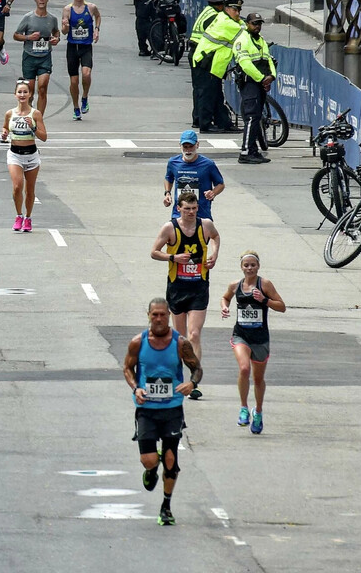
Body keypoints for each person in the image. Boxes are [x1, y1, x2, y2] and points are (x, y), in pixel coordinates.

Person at [123, 297, 203, 527]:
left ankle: (166, 507)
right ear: (148, 315)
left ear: (168, 316)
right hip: (146, 408)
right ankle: (151, 469)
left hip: (172, 408)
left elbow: (196, 368)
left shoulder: (180, 343)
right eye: (154, 314)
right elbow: (127, 368)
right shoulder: (138, 342)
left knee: (170, 459)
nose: (158, 318)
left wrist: (192, 384)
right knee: (149, 460)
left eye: (162, 314)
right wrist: (136, 387)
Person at [150, 192, 220, 398]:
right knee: (181, 340)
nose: (191, 212)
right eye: (187, 209)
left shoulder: (205, 225)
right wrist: (173, 257)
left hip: (199, 287)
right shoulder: (170, 228)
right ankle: (179, 378)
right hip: (177, 288)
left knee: (194, 335)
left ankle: (194, 381)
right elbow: (154, 252)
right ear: (178, 208)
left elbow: (216, 237)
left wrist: (214, 254)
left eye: (194, 208)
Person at [219, 250, 285, 435]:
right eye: (246, 265)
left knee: (258, 379)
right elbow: (225, 297)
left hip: (260, 338)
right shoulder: (235, 285)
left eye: (252, 265)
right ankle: (243, 408)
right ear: (241, 267)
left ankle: (258, 411)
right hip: (241, 335)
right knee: (244, 368)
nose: (249, 268)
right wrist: (225, 307)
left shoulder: (265, 284)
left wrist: (264, 300)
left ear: (258, 266)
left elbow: (282, 306)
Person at [190, 0, 243, 132]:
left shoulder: (223, 17)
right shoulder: (226, 23)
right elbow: (245, 34)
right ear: (225, 9)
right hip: (206, 62)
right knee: (207, 95)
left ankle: (223, 122)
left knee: (216, 95)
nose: (237, 13)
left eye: (239, 11)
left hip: (213, 64)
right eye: (234, 10)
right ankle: (205, 125)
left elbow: (241, 25)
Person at [232, 12, 277, 164]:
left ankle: (253, 150)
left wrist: (272, 76)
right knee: (251, 117)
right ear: (247, 24)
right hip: (250, 83)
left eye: (259, 24)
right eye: (254, 23)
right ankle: (245, 152)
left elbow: (268, 59)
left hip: (261, 83)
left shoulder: (261, 40)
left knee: (257, 117)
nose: (257, 26)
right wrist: (262, 78)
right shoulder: (242, 40)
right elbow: (245, 64)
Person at [3, 80, 46, 232]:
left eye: (25, 92)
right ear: (15, 95)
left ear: (30, 95)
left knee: (30, 190)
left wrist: (32, 127)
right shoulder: (10, 113)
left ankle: (28, 217)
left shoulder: (35, 114)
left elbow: (44, 136)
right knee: (17, 187)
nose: (22, 95)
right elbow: (5, 128)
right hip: (15, 154)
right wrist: (4, 133)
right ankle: (18, 215)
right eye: (19, 92)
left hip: (32, 155)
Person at [12, 0, 59, 115]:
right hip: (29, 57)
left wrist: (56, 39)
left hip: (45, 57)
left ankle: (39, 120)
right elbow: (16, 35)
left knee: (43, 88)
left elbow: (56, 31)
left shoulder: (52, 18)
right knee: (30, 91)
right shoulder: (28, 18)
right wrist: (28, 37)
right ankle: (29, 112)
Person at [60, 0, 101, 120]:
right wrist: (65, 26)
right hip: (72, 47)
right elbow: (64, 31)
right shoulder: (67, 9)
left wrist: (96, 30)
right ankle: (76, 107)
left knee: (86, 73)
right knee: (73, 81)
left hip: (85, 46)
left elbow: (98, 17)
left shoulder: (91, 7)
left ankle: (85, 97)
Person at [164, 130, 224, 220]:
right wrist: (167, 193)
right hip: (178, 215)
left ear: (197, 145)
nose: (188, 151)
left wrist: (213, 193)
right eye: (185, 147)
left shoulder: (208, 164)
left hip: (202, 215)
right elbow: (169, 178)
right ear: (180, 145)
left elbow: (220, 184)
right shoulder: (173, 162)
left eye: (191, 147)